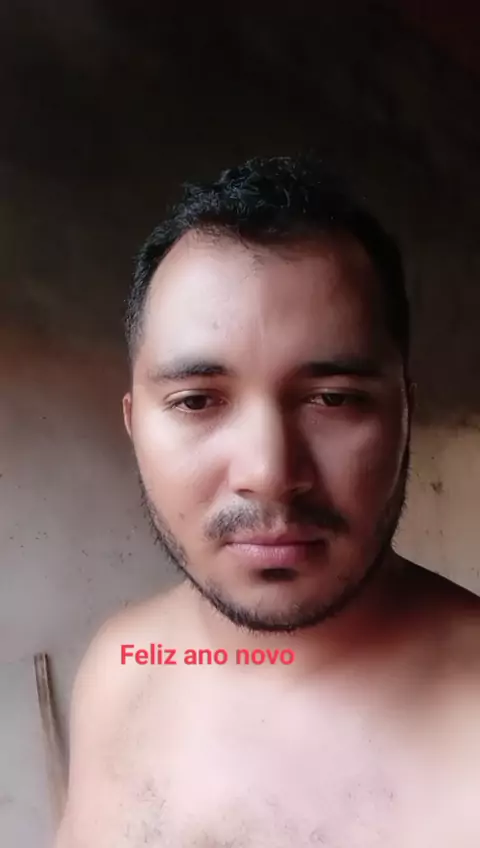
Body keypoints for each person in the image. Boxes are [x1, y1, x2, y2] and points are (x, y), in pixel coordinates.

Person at [55, 155, 480, 848]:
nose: (269, 473)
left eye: (332, 399)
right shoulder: (123, 667)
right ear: (134, 423)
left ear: (405, 415)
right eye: (197, 401)